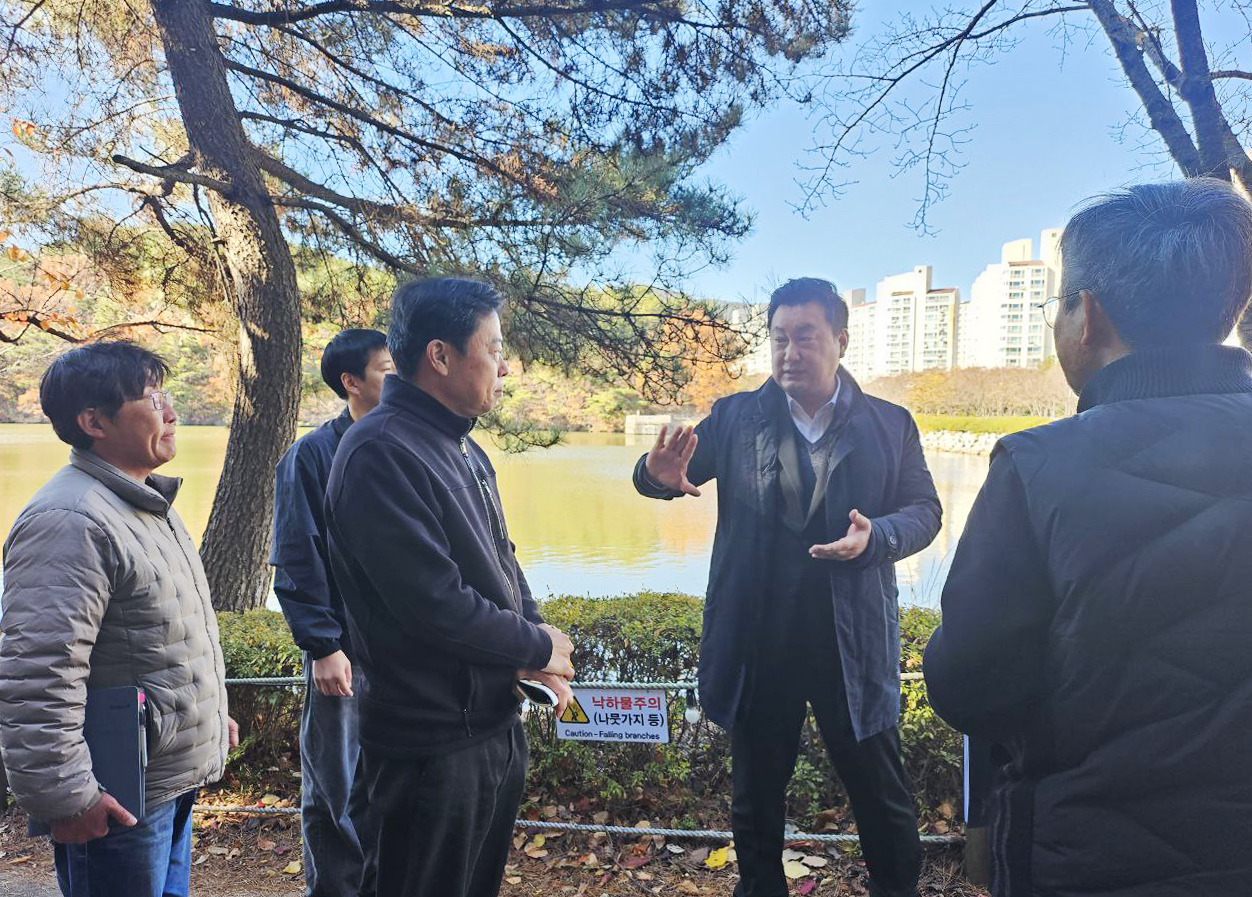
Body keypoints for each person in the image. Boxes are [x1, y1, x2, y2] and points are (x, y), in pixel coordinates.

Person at [924, 179, 1252, 896]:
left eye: (1059, 302)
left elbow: (969, 686)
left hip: (1091, 856)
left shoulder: (1038, 467)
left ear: (1087, 317)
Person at [634, 277, 941, 897]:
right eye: (779, 338)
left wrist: (876, 537)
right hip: (759, 644)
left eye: (806, 337)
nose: (789, 352)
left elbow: (925, 511)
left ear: (841, 341)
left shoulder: (890, 424)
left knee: (883, 798)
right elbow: (670, 474)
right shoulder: (735, 417)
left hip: (851, 645)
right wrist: (654, 474)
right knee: (754, 804)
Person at [324, 277, 576, 897]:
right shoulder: (379, 452)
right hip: (430, 741)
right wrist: (536, 647)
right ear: (440, 356)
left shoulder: (461, 446)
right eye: (491, 348)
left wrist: (535, 643)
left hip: (488, 721)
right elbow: (433, 605)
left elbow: (501, 565)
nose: (504, 365)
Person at [0, 341, 237, 897]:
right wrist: (68, 796)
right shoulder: (70, 519)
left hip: (165, 777)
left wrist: (210, 713)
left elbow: (165, 637)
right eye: (153, 398)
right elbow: (38, 674)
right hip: (117, 798)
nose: (172, 411)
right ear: (94, 422)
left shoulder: (139, 504)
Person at [271, 328, 393, 897]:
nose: (399, 379)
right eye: (387, 370)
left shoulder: (406, 444)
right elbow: (296, 553)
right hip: (344, 651)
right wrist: (322, 644)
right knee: (334, 788)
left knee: (391, 783)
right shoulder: (312, 454)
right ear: (351, 382)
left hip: (403, 654)